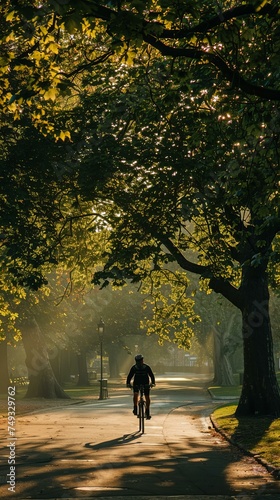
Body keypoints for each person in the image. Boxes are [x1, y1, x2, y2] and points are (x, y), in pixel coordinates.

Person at [126, 354, 155, 419]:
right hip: (137, 383)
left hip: (145, 383)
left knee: (146, 396)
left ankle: (147, 410)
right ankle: (135, 407)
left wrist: (152, 383)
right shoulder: (134, 368)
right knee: (136, 394)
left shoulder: (146, 367)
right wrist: (128, 383)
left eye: (140, 361)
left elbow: (151, 375)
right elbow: (130, 376)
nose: (140, 362)